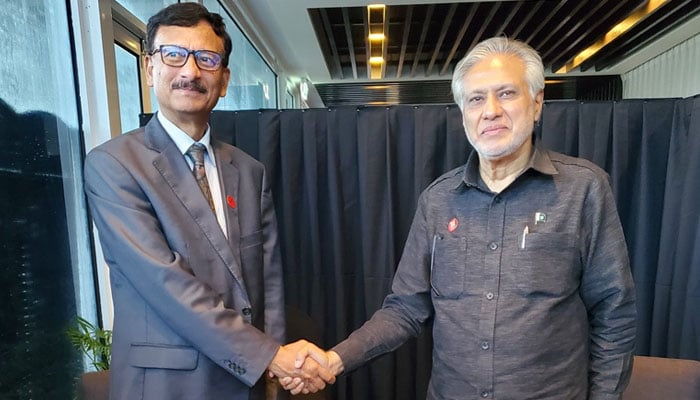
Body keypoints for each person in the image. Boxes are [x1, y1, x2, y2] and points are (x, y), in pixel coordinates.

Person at [294, 37, 637, 399]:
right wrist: (334, 359)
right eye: (475, 99)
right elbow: (405, 308)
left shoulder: (584, 189)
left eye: (506, 93)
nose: (490, 110)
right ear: (463, 114)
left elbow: (614, 312)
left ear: (537, 103)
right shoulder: (437, 200)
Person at [83, 3, 331, 399]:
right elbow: (166, 282)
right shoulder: (113, 165)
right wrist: (269, 357)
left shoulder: (249, 170)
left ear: (225, 78)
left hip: (245, 381)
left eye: (206, 58)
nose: (190, 71)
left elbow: (268, 283)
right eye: (173, 55)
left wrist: (273, 372)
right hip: (166, 386)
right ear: (150, 69)